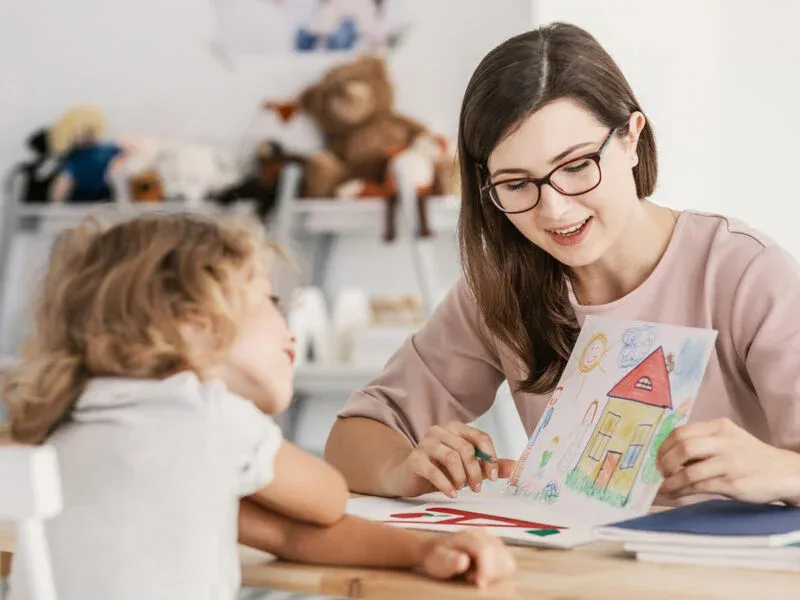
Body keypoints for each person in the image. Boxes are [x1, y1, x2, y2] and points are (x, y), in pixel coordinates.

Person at [325, 22, 800, 508]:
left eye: (576, 167)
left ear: (632, 137)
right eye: (516, 183)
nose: (554, 210)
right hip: (576, 574)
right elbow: (354, 437)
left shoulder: (744, 273)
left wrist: (782, 470)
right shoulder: (501, 288)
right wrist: (402, 467)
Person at [1, 213, 515, 600]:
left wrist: (426, 551)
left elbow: (287, 534)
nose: (286, 324)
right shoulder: (209, 417)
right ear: (193, 325)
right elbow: (325, 502)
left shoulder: (64, 425)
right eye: (270, 301)